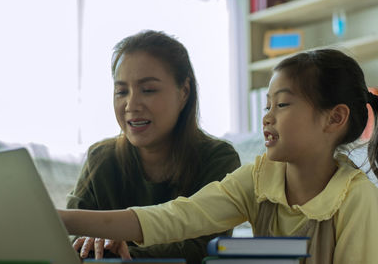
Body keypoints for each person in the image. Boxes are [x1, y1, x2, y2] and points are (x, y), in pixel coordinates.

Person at [58, 49, 378, 264]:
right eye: (267, 106)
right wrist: (56, 217)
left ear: (334, 118)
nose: (266, 118)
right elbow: (178, 216)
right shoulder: (258, 177)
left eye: (281, 105)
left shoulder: (357, 198)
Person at [66, 30, 241, 263]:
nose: (131, 104)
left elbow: (204, 248)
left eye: (148, 90)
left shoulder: (218, 159)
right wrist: (90, 244)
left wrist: (120, 252)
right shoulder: (101, 158)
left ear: (184, 92)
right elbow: (68, 238)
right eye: (121, 91)